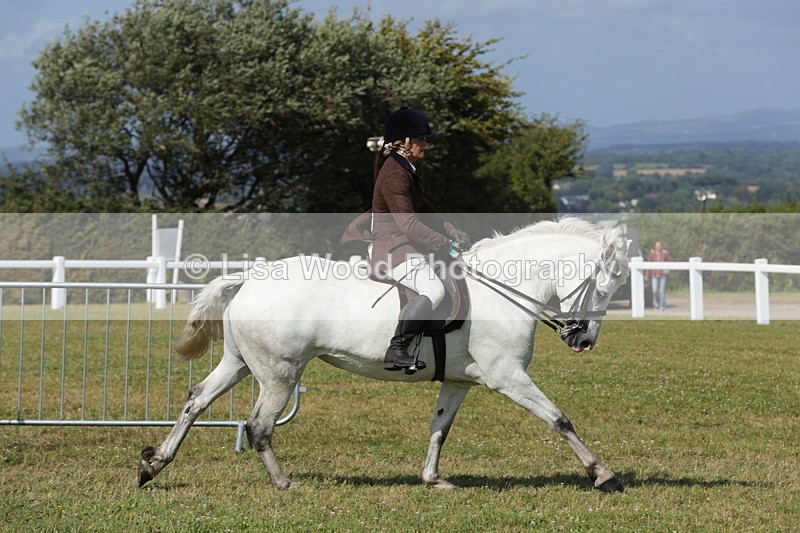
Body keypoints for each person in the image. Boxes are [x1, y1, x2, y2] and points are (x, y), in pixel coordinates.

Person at [343, 107, 470, 371]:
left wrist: (450, 229)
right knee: (433, 289)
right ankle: (397, 348)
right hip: (392, 248)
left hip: (404, 244)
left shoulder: (405, 169)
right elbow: (410, 224)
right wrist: (446, 245)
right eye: (421, 139)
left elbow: (423, 208)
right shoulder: (395, 175)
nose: (425, 144)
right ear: (406, 142)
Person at [644, 241, 673, 310]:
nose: (658, 247)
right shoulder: (652, 255)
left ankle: (662, 305)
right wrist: (646, 275)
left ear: (661, 247)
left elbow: (671, 261)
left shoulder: (664, 254)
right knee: (654, 291)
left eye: (659, 246)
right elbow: (648, 265)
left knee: (661, 291)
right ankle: (656, 303)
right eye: (657, 246)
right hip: (654, 275)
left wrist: (667, 254)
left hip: (662, 275)